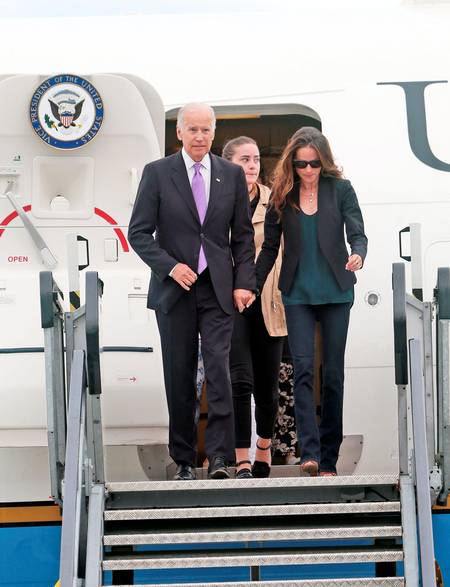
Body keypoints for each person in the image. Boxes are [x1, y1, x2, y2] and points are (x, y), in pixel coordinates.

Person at [128, 103, 256, 481]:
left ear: (213, 133)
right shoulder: (157, 173)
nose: (199, 137)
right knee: (180, 375)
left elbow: (243, 237)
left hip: (217, 289)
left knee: (219, 371)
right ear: (179, 133)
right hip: (175, 290)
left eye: (206, 130)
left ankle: (219, 458)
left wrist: (244, 282)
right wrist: (169, 265)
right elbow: (137, 233)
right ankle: (184, 459)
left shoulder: (230, 175)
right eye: (192, 130)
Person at [256, 126, 367, 477]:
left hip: (335, 291)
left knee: (332, 374)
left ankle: (330, 459)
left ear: (325, 161)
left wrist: (358, 255)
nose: (308, 170)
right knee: (302, 371)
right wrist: (250, 285)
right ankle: (310, 452)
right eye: (301, 164)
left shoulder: (341, 190)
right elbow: (270, 248)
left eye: (314, 164)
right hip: (297, 293)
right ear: (292, 163)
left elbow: (358, 233)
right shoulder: (282, 195)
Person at [222, 136, 287, 479]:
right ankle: (241, 458)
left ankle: (264, 446)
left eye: (256, 159)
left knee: (267, 385)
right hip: (232, 303)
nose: (252, 165)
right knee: (240, 381)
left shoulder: (275, 203)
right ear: (228, 163)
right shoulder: (217, 202)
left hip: (269, 301)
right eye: (244, 159)